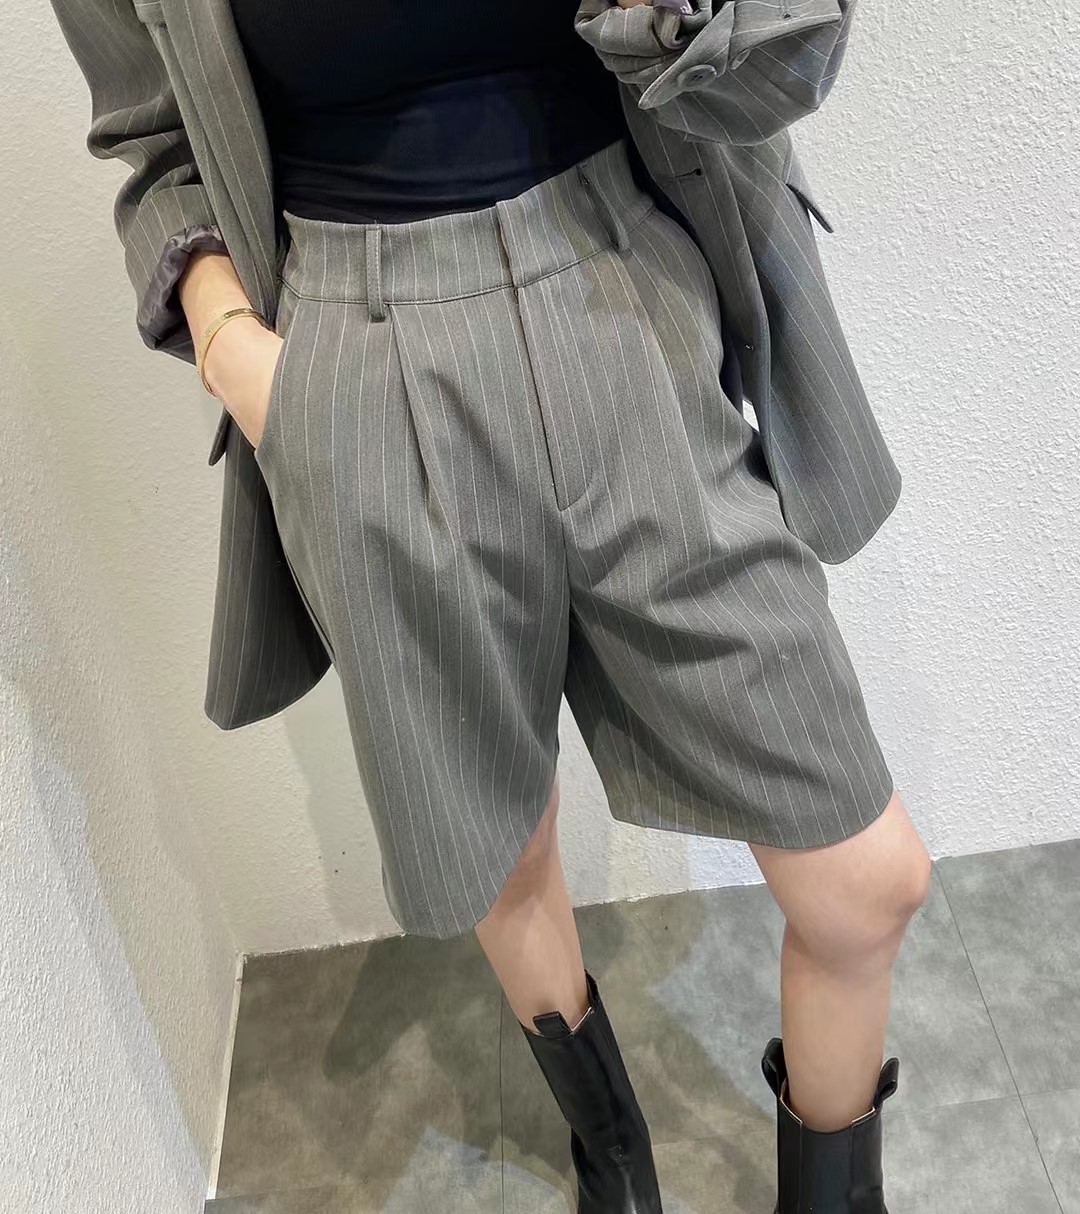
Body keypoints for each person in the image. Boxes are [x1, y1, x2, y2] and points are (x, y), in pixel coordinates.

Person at [50, 0, 931, 1207]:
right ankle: (613, 1163)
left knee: (866, 881)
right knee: (499, 845)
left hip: (624, 299)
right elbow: (153, 138)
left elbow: (779, 53)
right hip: (358, 358)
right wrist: (236, 349)